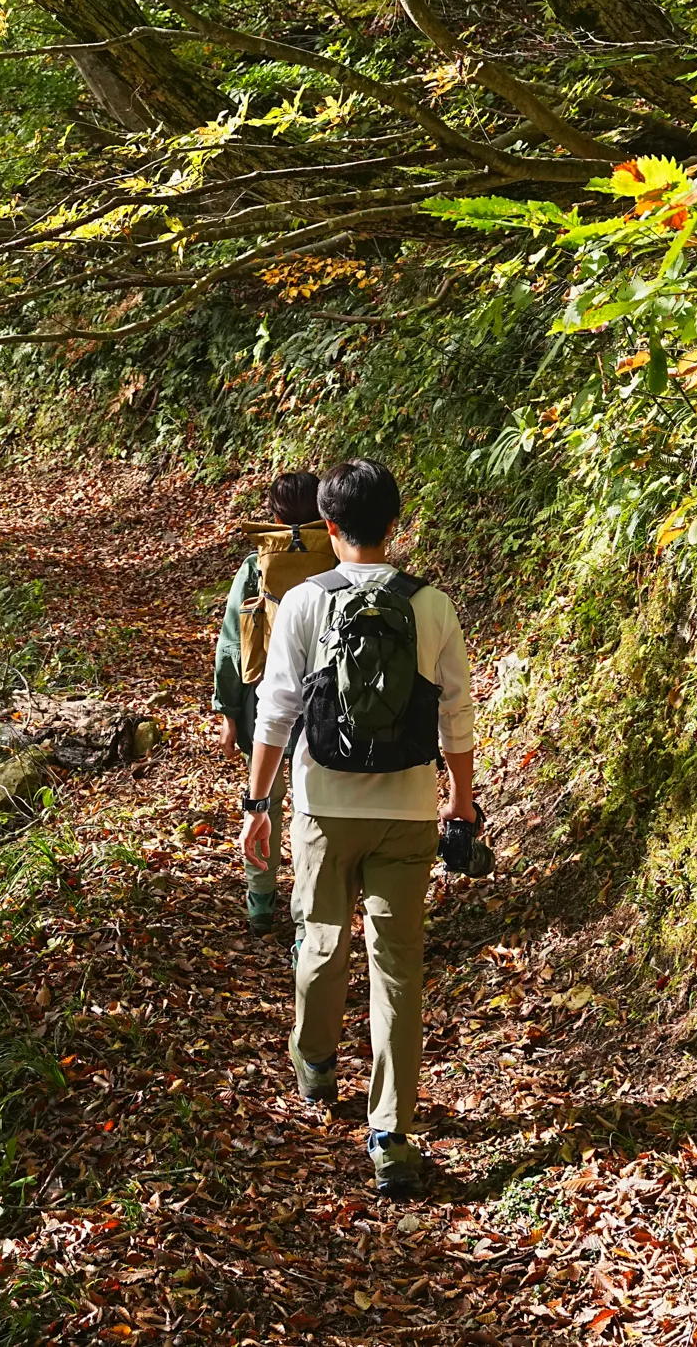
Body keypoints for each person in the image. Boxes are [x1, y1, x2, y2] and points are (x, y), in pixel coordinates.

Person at [236, 457, 475, 1198]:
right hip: (406, 811)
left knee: (323, 938)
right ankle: (392, 1133)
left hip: (322, 807)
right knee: (398, 968)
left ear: (330, 528)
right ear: (396, 526)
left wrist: (256, 806)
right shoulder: (432, 605)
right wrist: (460, 804)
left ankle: (314, 1066)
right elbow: (457, 715)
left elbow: (276, 710)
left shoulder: (305, 601)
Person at [212, 471, 327, 930]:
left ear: (275, 516)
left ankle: (260, 899)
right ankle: (308, 908)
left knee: (264, 801)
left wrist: (226, 710)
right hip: (325, 701)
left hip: (266, 700)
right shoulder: (337, 559)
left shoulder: (256, 566)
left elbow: (231, 645)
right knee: (310, 804)